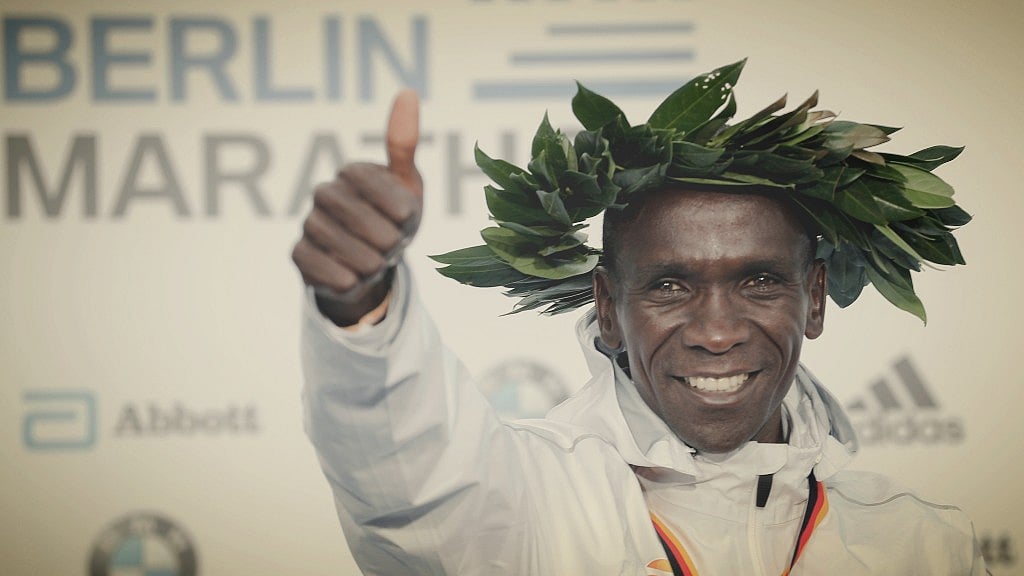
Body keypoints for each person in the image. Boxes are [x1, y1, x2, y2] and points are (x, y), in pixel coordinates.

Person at [292, 64, 988, 574]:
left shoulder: (922, 547)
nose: (718, 332)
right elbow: (408, 486)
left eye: (759, 281)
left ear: (813, 299)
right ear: (607, 308)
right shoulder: (527, 500)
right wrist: (361, 302)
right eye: (670, 287)